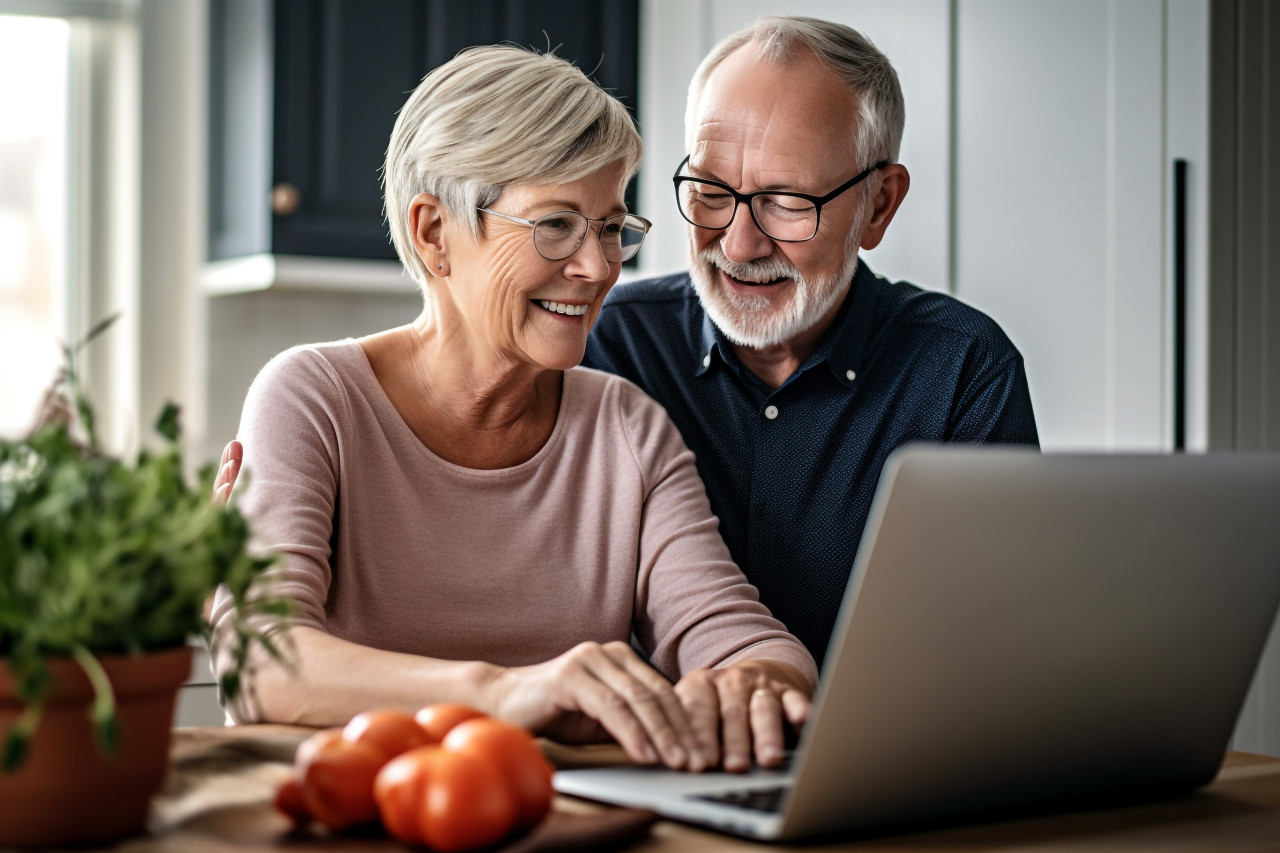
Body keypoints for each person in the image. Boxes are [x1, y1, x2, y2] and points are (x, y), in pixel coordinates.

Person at [209, 44, 817, 775]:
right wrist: (499, 693)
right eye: (556, 224)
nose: (597, 268)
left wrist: (757, 682)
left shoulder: (625, 425)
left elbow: (741, 637)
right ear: (435, 232)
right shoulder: (313, 399)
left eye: (609, 227)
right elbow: (259, 663)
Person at [581, 16, 1039, 662]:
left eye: (787, 202)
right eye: (711, 192)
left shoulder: (965, 371)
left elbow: (997, 652)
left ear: (879, 205)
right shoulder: (607, 343)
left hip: (890, 761)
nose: (738, 244)